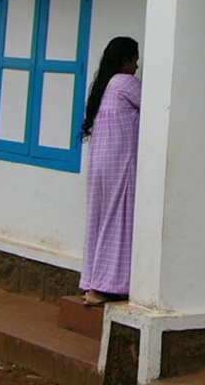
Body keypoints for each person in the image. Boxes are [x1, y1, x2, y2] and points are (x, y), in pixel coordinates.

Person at [78, 35, 141, 306]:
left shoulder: (104, 86)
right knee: (117, 221)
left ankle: (92, 281)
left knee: (100, 219)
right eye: (134, 60)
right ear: (125, 61)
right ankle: (103, 287)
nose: (136, 67)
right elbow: (158, 105)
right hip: (119, 163)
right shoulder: (124, 82)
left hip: (101, 164)